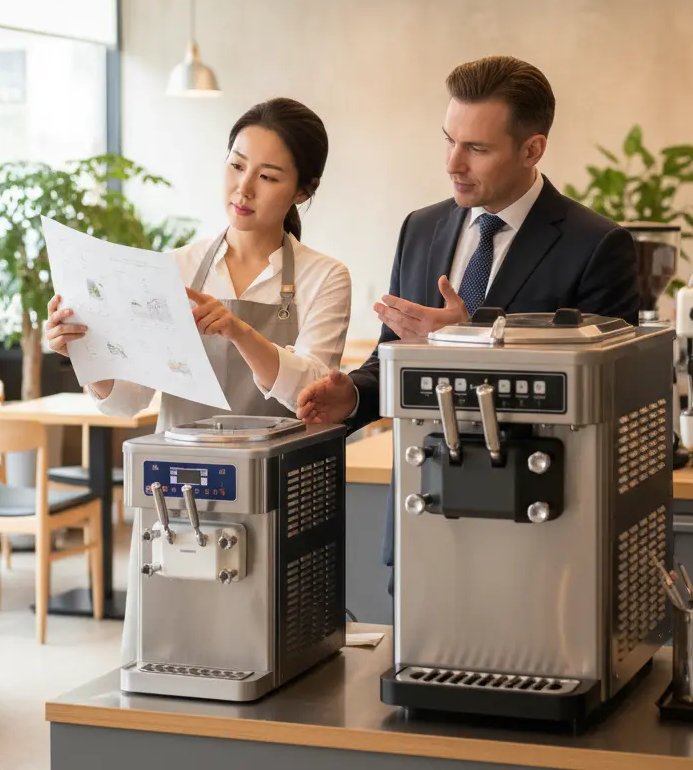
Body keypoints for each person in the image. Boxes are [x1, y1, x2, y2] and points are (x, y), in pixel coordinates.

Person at [297, 55, 640, 588]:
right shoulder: (421, 227)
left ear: (533, 149)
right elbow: (394, 356)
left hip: (540, 529)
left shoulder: (597, 246)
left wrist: (468, 341)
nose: (453, 163)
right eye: (449, 140)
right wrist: (355, 398)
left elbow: (605, 399)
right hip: (422, 515)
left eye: (476, 148)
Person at [45, 96, 352, 658]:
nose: (244, 188)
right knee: (172, 655)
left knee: (270, 655)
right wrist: (85, 351)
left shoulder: (323, 277)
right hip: (176, 496)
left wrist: (239, 331)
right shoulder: (175, 269)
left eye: (268, 175)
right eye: (236, 165)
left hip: (277, 495)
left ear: (303, 190)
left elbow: (312, 390)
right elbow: (128, 399)